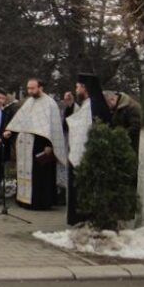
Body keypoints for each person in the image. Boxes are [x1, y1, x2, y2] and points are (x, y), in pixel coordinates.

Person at [4, 78, 67, 211]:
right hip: (26, 146)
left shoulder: (49, 104)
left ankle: (40, 202)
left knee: (40, 175)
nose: (30, 91)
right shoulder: (29, 102)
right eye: (28, 88)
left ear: (41, 88)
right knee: (26, 172)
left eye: (32, 88)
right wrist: (11, 131)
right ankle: (24, 200)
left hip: (41, 145)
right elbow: (21, 121)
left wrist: (49, 144)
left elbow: (53, 127)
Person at [64, 74, 111, 225]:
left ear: (85, 88)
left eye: (78, 87)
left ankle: (83, 217)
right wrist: (71, 106)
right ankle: (78, 217)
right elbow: (74, 121)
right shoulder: (88, 104)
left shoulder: (94, 105)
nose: (76, 89)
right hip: (80, 151)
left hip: (86, 153)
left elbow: (84, 126)